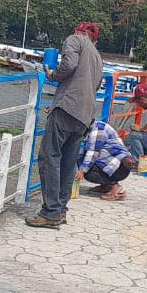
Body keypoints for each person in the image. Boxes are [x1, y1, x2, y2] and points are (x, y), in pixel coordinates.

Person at [26, 22, 104, 229]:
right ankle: (60, 210)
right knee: (68, 163)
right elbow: (95, 86)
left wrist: (52, 75)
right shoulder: (97, 56)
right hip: (84, 115)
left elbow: (68, 65)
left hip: (67, 108)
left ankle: (50, 212)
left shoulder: (75, 40)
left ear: (78, 31)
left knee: (49, 157)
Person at [78, 119, 137, 201]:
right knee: (87, 162)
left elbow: (93, 152)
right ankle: (105, 186)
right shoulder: (96, 127)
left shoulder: (97, 130)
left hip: (118, 167)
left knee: (88, 172)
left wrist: (82, 170)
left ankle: (114, 186)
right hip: (117, 166)